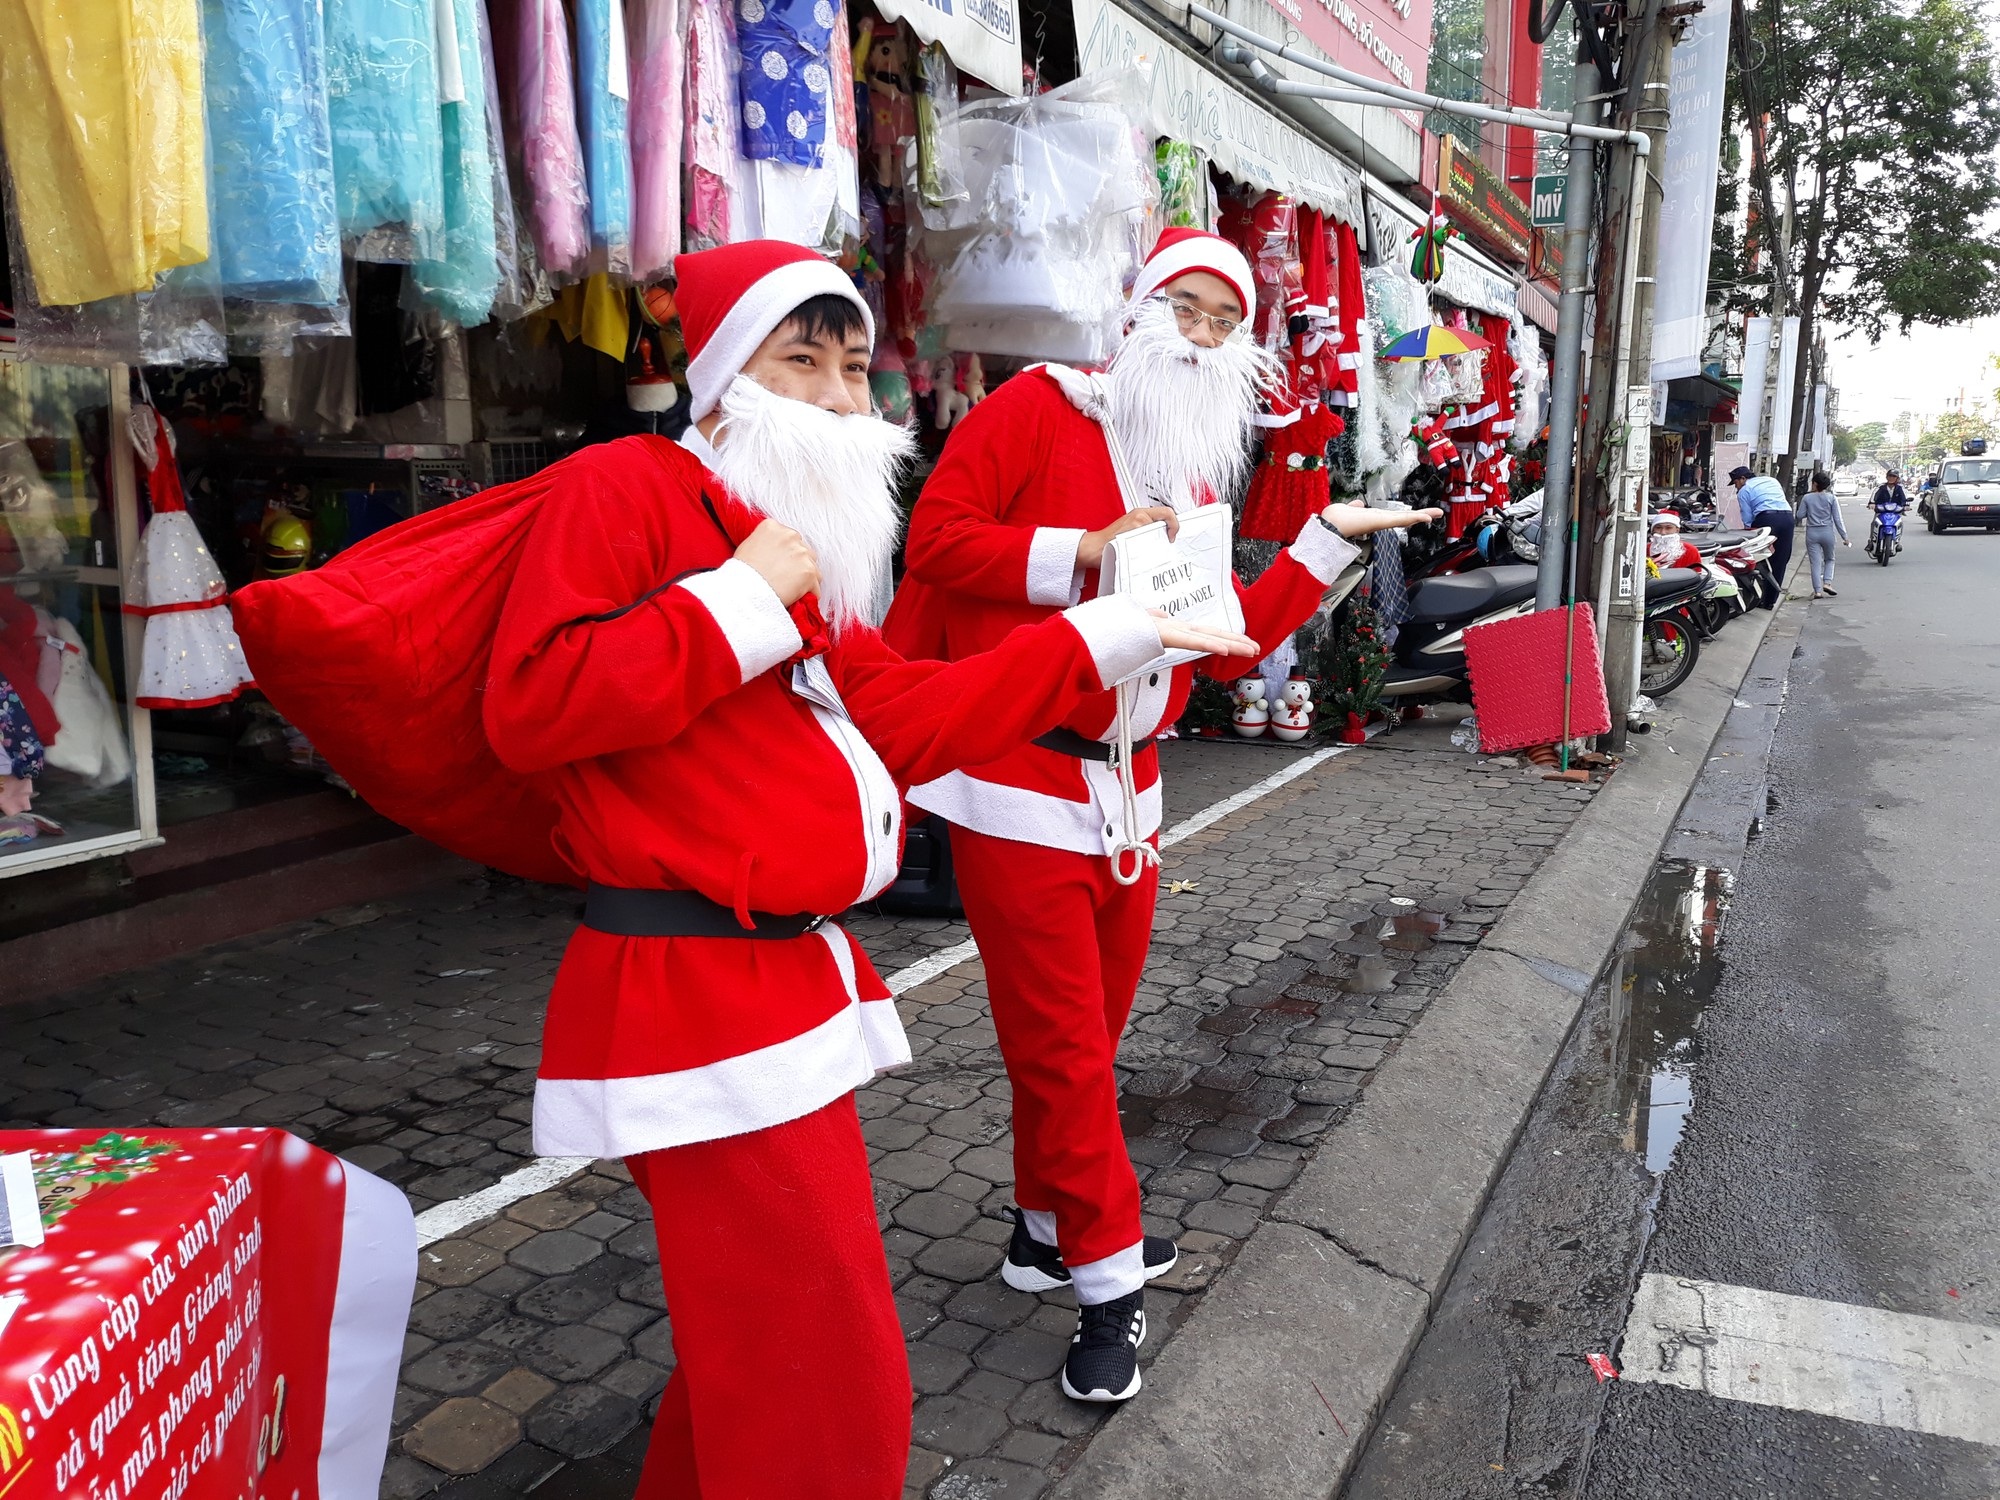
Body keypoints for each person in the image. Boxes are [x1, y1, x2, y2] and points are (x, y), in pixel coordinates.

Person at [275, 241, 1263, 1499]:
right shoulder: (631, 485)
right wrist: (735, 601)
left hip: (780, 982)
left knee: (754, 1367)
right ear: (726, 374)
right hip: (691, 990)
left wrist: (1105, 634)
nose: (842, 398)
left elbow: (902, 718)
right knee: (828, 1390)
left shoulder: (785, 543)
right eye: (803, 361)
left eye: (854, 369)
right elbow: (534, 706)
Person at [882, 228, 1441, 1406]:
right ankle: (1105, 1282)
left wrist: (1319, 543)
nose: (1199, 337)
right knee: (1067, 1053)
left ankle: (1043, 1230)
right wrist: (1083, 553)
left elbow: (1221, 636)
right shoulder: (1038, 407)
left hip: (1129, 795)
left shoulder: (1185, 470)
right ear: (1136, 309)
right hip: (1016, 782)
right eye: (1182, 308)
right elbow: (934, 541)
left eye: (1222, 321)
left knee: (1081, 1042)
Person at [1728, 464, 1795, 607]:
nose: (1736, 487)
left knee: (1760, 558)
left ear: (1743, 478)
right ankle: (1770, 601)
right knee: (1781, 560)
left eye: (1736, 483)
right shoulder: (1772, 480)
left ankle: (1758, 597)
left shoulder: (1744, 490)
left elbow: (1747, 519)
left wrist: (1749, 535)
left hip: (1767, 519)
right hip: (1788, 518)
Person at [1799, 471, 1850, 597]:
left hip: (1812, 533)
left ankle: (1817, 591)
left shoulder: (1807, 498)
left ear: (1815, 484)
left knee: (1815, 563)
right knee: (1830, 559)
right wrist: (1844, 537)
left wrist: (1810, 512)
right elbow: (1837, 519)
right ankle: (1827, 583)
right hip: (1827, 532)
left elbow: (1800, 515)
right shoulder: (1831, 498)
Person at [1870, 469, 1911, 557]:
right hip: (1881, 511)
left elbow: (1905, 499)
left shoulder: (1900, 488)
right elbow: (1874, 497)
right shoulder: (1881, 487)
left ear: (1897, 478)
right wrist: (1872, 504)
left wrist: (1906, 506)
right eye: (1890, 476)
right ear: (1887, 477)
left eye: (1894, 476)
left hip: (1895, 512)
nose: (1891, 478)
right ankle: (1871, 541)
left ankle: (1897, 542)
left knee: (1900, 523)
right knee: (1874, 523)